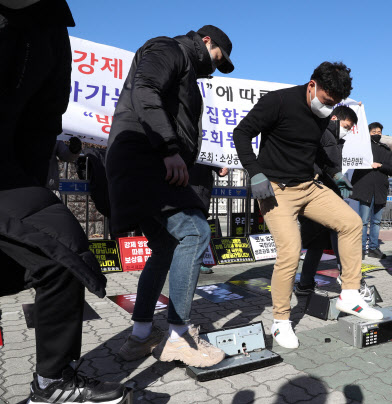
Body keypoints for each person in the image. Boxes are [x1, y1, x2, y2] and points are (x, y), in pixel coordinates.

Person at [0, 1, 126, 402]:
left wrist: (41, 168)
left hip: (9, 172)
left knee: (62, 255)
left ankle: (52, 383)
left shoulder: (50, 28)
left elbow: (42, 113)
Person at [108, 25, 234, 367]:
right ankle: (178, 336)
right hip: (147, 159)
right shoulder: (169, 49)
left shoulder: (186, 67)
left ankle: (139, 337)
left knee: (165, 245)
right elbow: (145, 89)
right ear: (206, 42)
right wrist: (168, 148)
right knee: (195, 233)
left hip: (146, 161)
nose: (213, 68)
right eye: (217, 58)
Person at [234, 62, 383, 349]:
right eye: (328, 101)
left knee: (351, 223)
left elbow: (314, 148)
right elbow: (241, 134)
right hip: (276, 190)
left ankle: (349, 294)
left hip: (309, 186)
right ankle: (280, 322)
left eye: (336, 104)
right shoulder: (277, 101)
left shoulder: (321, 114)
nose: (329, 108)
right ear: (312, 85)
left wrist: (335, 174)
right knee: (290, 252)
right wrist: (256, 172)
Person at [295, 106, 357, 295]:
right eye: (346, 126)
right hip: (317, 192)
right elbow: (323, 164)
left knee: (317, 241)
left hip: (323, 191)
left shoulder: (334, 139)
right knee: (341, 230)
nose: (347, 130)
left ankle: (305, 283)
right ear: (335, 118)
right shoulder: (324, 134)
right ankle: (348, 280)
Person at [351, 122, 392, 259]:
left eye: (379, 132)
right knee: (363, 221)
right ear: (368, 132)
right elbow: (354, 161)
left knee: (376, 221)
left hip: (380, 189)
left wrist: (381, 165)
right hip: (365, 188)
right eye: (374, 132)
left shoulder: (386, 150)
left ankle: (373, 248)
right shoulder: (362, 148)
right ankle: (360, 249)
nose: (377, 134)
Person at [188, 163, 229, 274]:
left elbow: (213, 158)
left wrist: (220, 168)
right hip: (183, 185)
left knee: (201, 228)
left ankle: (197, 261)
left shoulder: (208, 145)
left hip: (202, 190)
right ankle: (181, 261)